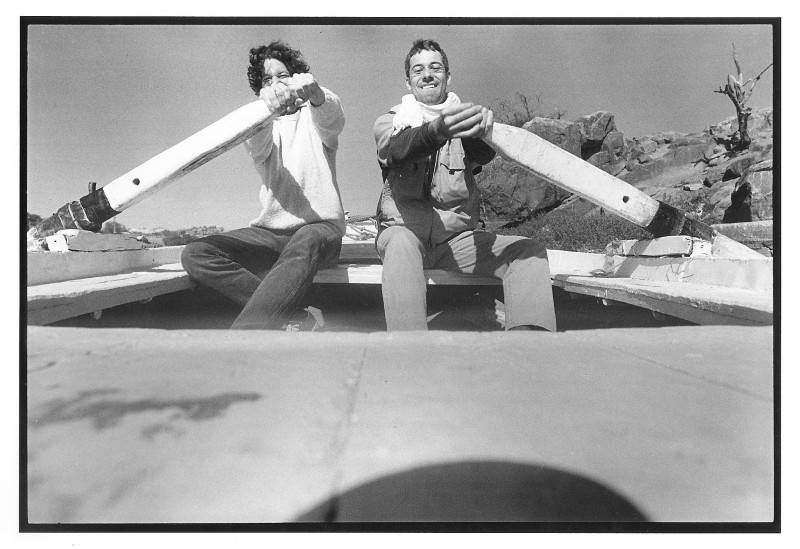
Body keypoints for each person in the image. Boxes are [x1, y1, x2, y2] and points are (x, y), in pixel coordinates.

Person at [373, 39, 557, 331]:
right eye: (418, 70)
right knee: (400, 244)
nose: (427, 75)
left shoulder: (465, 124)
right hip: (404, 235)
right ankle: (409, 350)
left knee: (527, 251)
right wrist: (437, 130)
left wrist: (483, 130)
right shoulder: (390, 121)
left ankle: (529, 346)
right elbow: (399, 149)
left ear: (448, 77)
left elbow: (481, 153)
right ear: (408, 82)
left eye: (436, 68)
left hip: (455, 243)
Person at [181, 41, 346, 330]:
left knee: (305, 238)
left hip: (320, 230)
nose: (275, 84)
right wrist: (264, 109)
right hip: (272, 234)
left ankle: (241, 338)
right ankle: (292, 315)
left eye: (282, 76)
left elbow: (332, 116)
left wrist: (315, 92)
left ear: (296, 78)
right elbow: (258, 140)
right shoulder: (259, 126)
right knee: (196, 254)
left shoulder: (316, 117)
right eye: (267, 79)